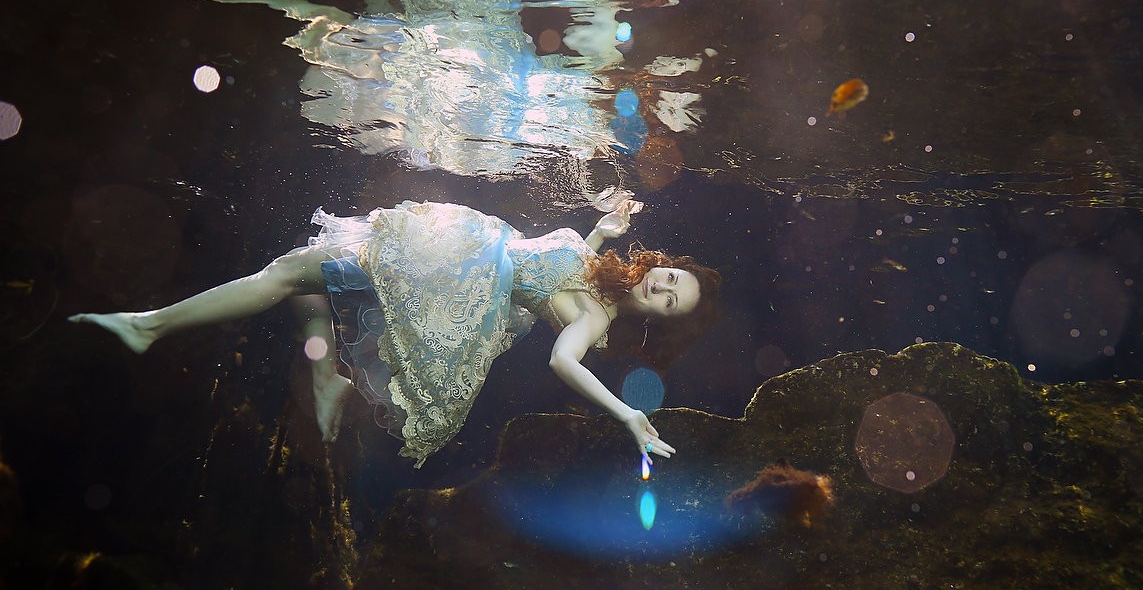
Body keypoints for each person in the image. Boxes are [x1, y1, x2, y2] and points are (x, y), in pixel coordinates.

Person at [69, 199, 721, 468]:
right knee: (304, 277)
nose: (658, 290)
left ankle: (147, 326)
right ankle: (323, 375)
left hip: (453, 277)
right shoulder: (600, 269)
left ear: (657, 323)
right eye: (667, 278)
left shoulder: (596, 322)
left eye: (668, 302)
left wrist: (627, 415)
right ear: (657, 265)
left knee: (291, 275)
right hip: (458, 249)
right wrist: (607, 225)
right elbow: (573, 249)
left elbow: (562, 362)